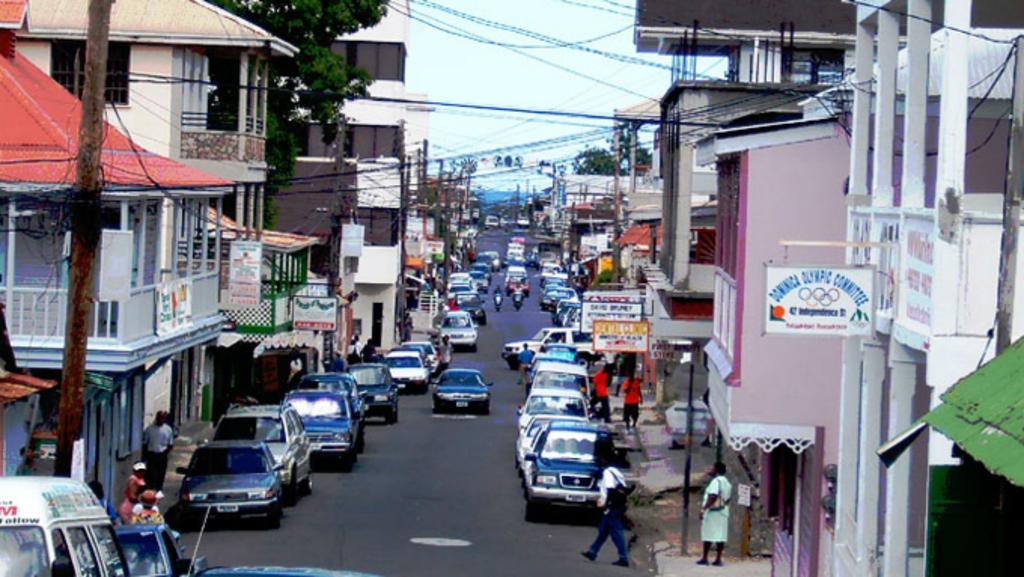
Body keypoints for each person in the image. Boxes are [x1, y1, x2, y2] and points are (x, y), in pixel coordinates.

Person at [582, 440, 631, 567]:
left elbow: (610, 489)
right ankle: (593, 551)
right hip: (617, 504)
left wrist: (606, 505)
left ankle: (623, 557)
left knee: (616, 532)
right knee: (603, 530)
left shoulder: (608, 472)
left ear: (603, 459)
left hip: (612, 506)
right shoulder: (615, 470)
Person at [697, 462, 733, 567]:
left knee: (708, 534)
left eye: (712, 468)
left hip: (713, 512)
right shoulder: (727, 482)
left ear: (716, 470)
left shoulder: (715, 482)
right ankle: (718, 558)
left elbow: (712, 496)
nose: (710, 470)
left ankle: (705, 557)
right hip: (723, 511)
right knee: (720, 536)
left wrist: (704, 509)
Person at [142, 411, 174, 491]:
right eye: (160, 418)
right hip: (152, 454)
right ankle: (151, 490)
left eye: (163, 418)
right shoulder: (149, 429)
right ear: (157, 418)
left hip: (162, 455)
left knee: (161, 474)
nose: (161, 420)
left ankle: (159, 490)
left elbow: (170, 444)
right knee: (151, 474)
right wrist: (145, 456)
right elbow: (145, 443)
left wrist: (165, 453)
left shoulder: (168, 429)